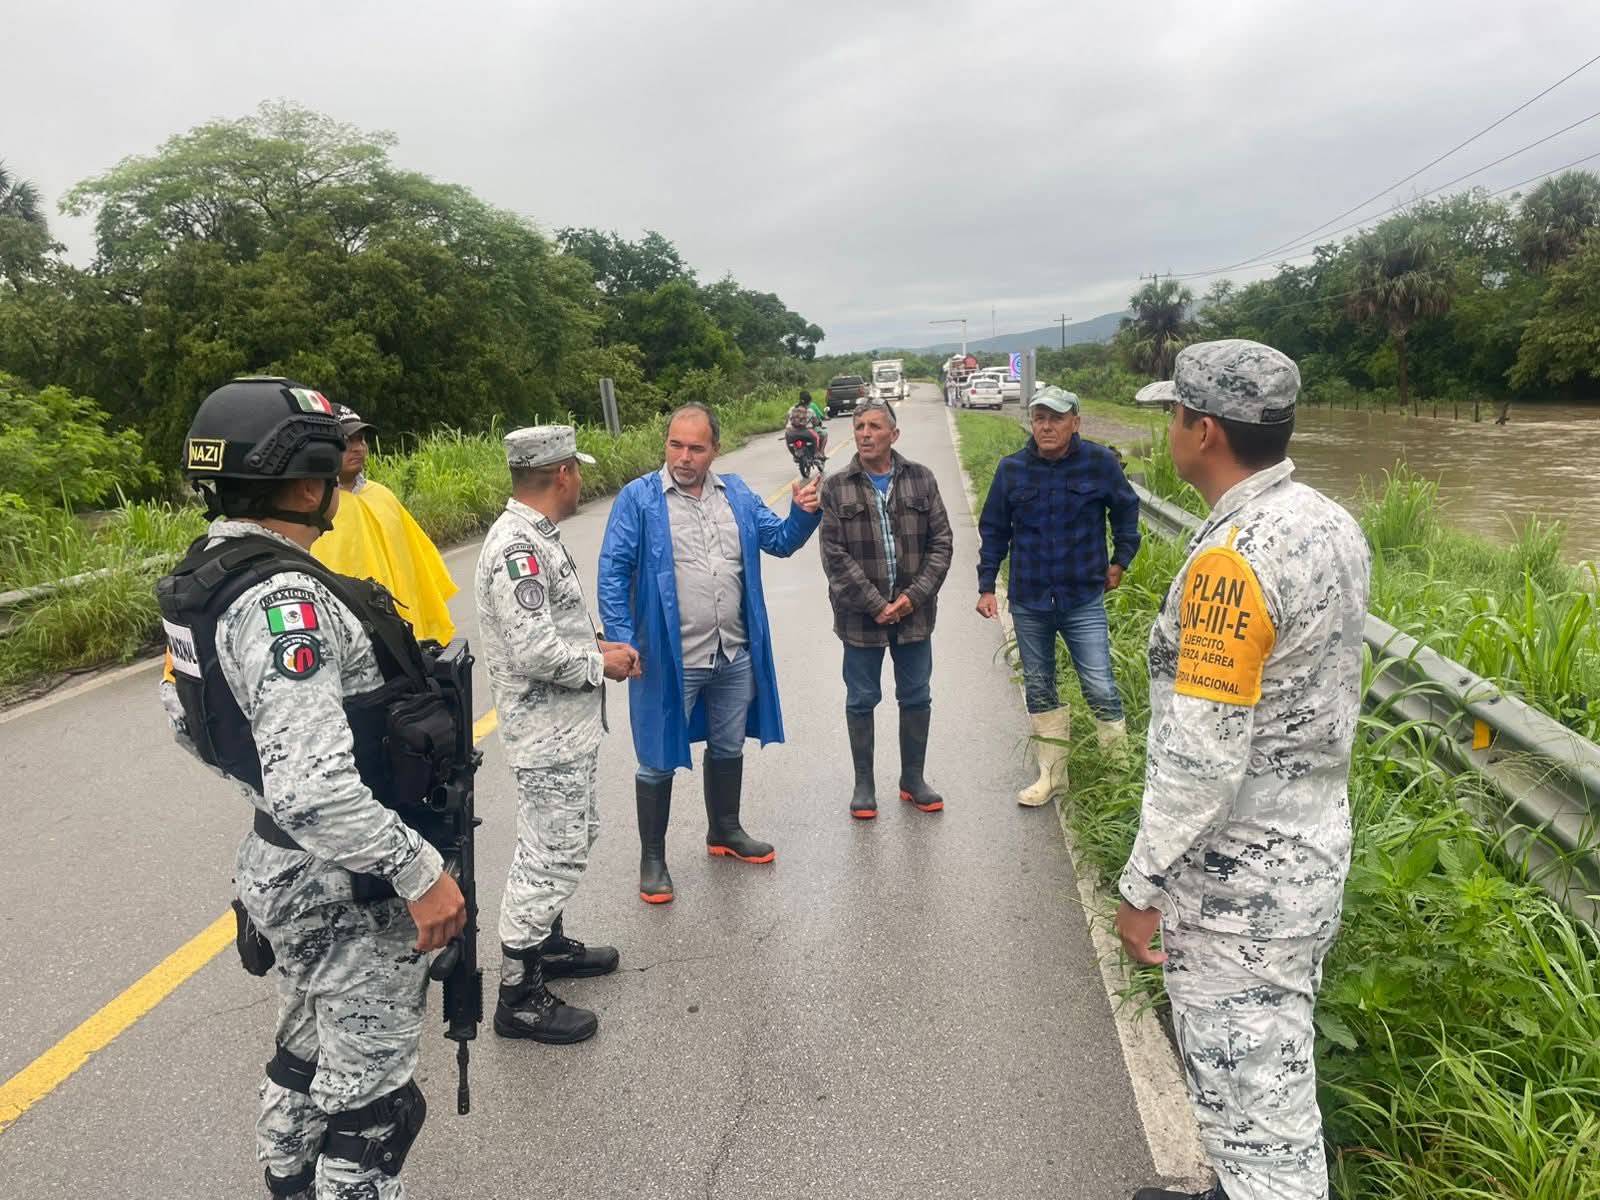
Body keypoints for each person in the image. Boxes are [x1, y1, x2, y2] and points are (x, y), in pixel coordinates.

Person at [155, 377, 467, 1200]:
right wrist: (419, 872)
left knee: (305, 1057)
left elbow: (190, 724)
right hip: (347, 883)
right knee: (373, 1113)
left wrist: (273, 804)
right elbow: (316, 789)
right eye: (333, 468)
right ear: (305, 482)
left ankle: (290, 1183)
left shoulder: (206, 578)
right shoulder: (284, 599)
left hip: (280, 864)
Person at [1114, 341, 1371, 1200]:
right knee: (1256, 1081)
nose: (1170, 434)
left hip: (1237, 883)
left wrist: (1141, 886)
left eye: (1174, 417)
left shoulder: (1232, 559)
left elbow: (1201, 757)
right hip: (1306, 851)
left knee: (1264, 1128)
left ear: (1206, 430)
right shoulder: (1328, 520)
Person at [597, 402, 822, 904]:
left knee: (728, 745)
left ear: (714, 450)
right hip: (668, 657)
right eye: (675, 444)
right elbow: (613, 573)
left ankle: (725, 830)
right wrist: (622, 640)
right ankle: (652, 858)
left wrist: (804, 514)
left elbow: (780, 541)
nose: (683, 456)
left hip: (732, 653)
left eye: (696, 447)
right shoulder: (639, 499)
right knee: (656, 757)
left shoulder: (736, 494)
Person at [475, 425, 638, 1045]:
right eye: (578, 471)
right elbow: (534, 651)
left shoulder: (533, 536)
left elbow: (553, 631)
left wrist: (596, 644)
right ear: (563, 474)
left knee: (571, 835)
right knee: (549, 855)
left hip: (563, 730)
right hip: (546, 733)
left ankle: (548, 945)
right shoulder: (518, 548)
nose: (581, 481)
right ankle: (519, 995)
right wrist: (605, 664)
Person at [975, 386, 1141, 806]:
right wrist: (985, 585)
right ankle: (1052, 776)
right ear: (1032, 423)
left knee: (1100, 684)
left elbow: (1126, 509)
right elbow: (994, 530)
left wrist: (1121, 559)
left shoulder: (1100, 462)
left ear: (1075, 423)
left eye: (1056, 418)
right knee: (1039, 686)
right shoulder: (1011, 470)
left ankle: (1119, 776)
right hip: (1030, 598)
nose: (1046, 426)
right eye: (1039, 418)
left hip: (1083, 596)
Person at [818, 400, 953, 819]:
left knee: (916, 695)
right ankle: (864, 784)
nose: (865, 433)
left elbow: (942, 543)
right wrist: (877, 605)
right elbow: (834, 556)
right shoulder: (837, 486)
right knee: (861, 698)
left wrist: (913, 597)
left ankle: (913, 779)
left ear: (894, 434)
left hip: (915, 616)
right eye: (859, 426)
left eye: (875, 426)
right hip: (860, 618)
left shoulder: (922, 479)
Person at [312, 404, 459, 645]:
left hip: (405, 631)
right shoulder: (316, 507)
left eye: (361, 439)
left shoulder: (382, 496)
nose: (358, 447)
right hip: (354, 638)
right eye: (347, 440)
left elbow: (417, 567)